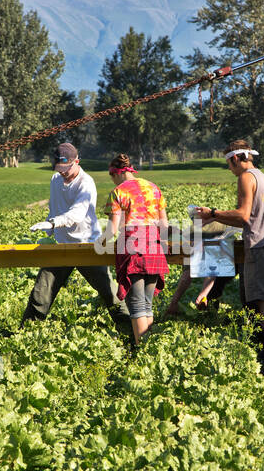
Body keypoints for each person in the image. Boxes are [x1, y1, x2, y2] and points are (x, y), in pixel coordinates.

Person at [22, 142, 131, 328]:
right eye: (58, 167)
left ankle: (131, 333)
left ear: (77, 161)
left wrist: (53, 222)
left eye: (66, 167)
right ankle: (26, 333)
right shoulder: (55, 179)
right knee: (41, 293)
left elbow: (77, 213)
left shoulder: (86, 183)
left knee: (110, 295)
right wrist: (50, 228)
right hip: (62, 245)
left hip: (86, 246)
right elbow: (55, 206)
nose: (62, 171)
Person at [197, 140, 264, 366]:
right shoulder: (263, 176)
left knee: (261, 300)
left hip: (259, 245)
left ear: (235, 158)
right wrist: (218, 217)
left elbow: (243, 215)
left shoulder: (245, 177)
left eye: (228, 163)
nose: (229, 168)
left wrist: (213, 213)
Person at [101, 153, 169, 347]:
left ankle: (141, 350)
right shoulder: (153, 188)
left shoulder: (119, 192)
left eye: (111, 176)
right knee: (147, 304)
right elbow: (163, 224)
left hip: (133, 248)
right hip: (154, 246)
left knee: (137, 305)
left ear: (116, 173)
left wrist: (100, 241)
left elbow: (113, 229)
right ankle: (150, 350)